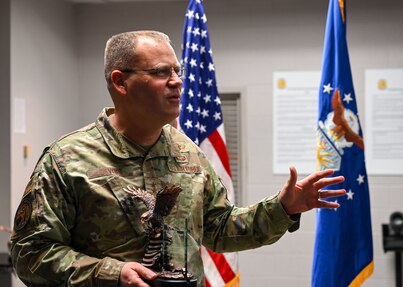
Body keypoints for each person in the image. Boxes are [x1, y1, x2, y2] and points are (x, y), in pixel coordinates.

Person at [11, 30, 346, 287]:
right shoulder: (67, 160)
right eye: (160, 72)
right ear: (120, 81)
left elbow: (219, 230)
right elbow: (30, 254)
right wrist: (111, 273)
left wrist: (282, 208)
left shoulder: (188, 154)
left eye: (178, 70)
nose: (177, 82)